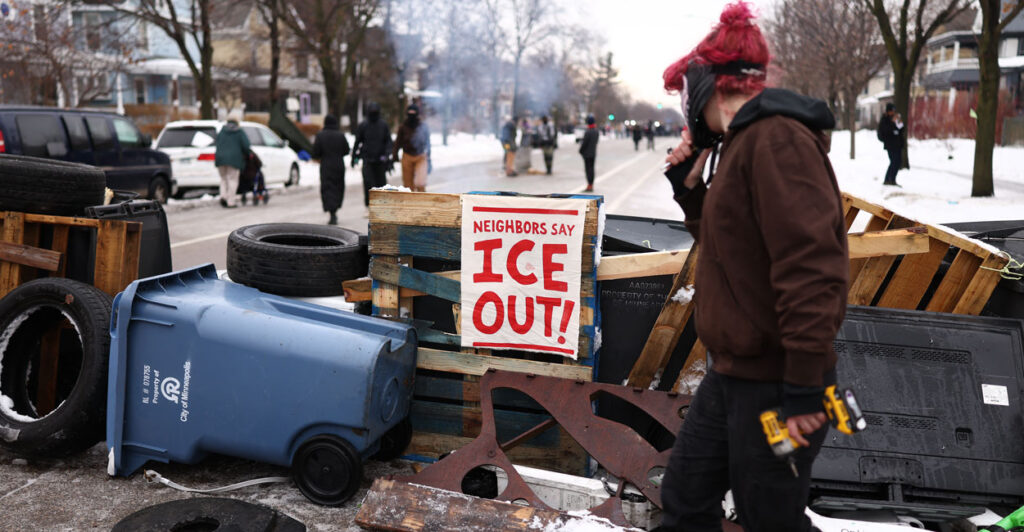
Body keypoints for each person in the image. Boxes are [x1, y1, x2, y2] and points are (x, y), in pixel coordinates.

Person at [657, 3, 849, 531]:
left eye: (684, 96)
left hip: (778, 379)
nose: (684, 111)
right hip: (735, 374)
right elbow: (734, 254)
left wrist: (805, 389)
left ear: (710, 88)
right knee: (686, 499)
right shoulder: (742, 144)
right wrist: (690, 192)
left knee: (771, 519)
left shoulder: (776, 140)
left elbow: (812, 268)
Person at [352, 101, 393, 206]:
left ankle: (382, 205)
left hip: (380, 160)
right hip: (367, 160)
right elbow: (357, 142)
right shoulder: (363, 125)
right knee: (368, 183)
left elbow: (388, 141)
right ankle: (369, 205)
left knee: (381, 184)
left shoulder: (383, 125)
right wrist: (354, 157)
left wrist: (387, 155)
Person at [311, 114, 350, 225]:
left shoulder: (320, 136)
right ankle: (335, 209)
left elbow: (315, 153)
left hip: (326, 166)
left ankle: (331, 211)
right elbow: (346, 150)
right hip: (338, 165)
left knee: (327, 188)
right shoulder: (340, 135)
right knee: (338, 187)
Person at [213, 112, 250, 208]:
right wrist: (248, 154)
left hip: (220, 159)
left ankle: (223, 196)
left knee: (223, 179)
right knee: (232, 180)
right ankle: (231, 202)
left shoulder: (222, 130)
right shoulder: (239, 131)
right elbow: (246, 146)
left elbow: (217, 142)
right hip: (234, 160)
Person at [393, 104, 431, 192]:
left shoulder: (423, 126)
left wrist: (429, 158)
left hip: (420, 157)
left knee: (420, 183)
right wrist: (394, 154)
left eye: (413, 113)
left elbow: (428, 142)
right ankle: (410, 204)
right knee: (408, 186)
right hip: (407, 156)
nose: (412, 115)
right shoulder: (402, 127)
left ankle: (422, 204)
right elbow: (398, 142)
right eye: (410, 113)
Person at [877, 102, 904, 186]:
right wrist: (892, 124)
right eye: (891, 111)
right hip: (890, 145)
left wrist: (898, 122)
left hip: (897, 144)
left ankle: (892, 179)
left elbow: (901, 129)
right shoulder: (885, 119)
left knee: (897, 162)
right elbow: (885, 131)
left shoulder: (895, 118)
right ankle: (888, 179)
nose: (893, 112)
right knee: (893, 161)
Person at [578, 115, 598, 192]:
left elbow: (584, 143)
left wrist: (580, 151)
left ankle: (589, 185)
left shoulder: (588, 132)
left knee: (588, 170)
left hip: (587, 154)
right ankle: (591, 184)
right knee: (592, 169)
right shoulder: (596, 131)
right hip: (593, 153)